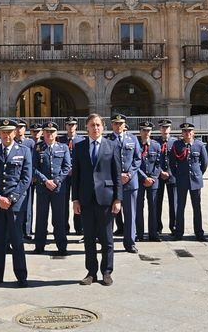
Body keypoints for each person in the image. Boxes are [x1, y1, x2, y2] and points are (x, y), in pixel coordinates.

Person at [72, 114, 122, 286]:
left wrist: (118, 199)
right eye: (92, 125)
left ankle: (107, 271)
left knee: (107, 238)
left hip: (106, 198)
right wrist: (75, 199)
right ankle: (91, 272)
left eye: (98, 125)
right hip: (86, 199)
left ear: (103, 126)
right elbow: (76, 176)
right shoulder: (79, 147)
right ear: (86, 127)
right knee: (89, 238)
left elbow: (117, 174)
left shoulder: (112, 145)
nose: (95, 128)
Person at [0, 119, 32, 287]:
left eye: (9, 132)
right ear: (0, 133)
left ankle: (21, 276)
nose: (6, 135)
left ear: (14, 133)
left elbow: (26, 179)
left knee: (17, 241)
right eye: (3, 132)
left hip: (15, 204)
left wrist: (11, 199)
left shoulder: (24, 151)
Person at [32, 122, 71, 255]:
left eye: (52, 132)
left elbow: (67, 167)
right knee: (41, 218)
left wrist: (56, 180)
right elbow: (33, 167)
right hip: (43, 188)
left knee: (59, 218)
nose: (50, 134)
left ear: (56, 133)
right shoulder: (37, 148)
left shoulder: (63, 147)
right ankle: (39, 245)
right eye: (47, 132)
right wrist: (44, 180)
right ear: (43, 133)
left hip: (58, 188)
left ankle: (61, 246)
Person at [169, 123, 208, 240]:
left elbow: (204, 163)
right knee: (180, 207)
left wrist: (198, 174)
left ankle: (199, 233)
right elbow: (172, 163)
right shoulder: (177, 145)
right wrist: (178, 175)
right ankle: (179, 232)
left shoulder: (199, 145)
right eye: (185, 131)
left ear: (193, 133)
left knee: (197, 207)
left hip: (195, 180)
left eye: (190, 131)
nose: (187, 133)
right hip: (181, 180)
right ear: (182, 133)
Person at [109, 113, 140, 253]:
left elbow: (138, 159)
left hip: (130, 182)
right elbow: (104, 161)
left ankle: (130, 242)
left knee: (130, 214)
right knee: (110, 214)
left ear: (124, 124)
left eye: (121, 123)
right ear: (112, 125)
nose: (118, 125)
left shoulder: (132, 139)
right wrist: (118, 175)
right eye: (116, 123)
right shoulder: (107, 140)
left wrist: (129, 174)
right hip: (113, 183)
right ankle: (108, 243)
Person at [135, 121, 162, 242]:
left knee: (154, 207)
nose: (146, 133)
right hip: (139, 181)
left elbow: (158, 163)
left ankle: (153, 233)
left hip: (153, 181)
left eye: (148, 131)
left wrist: (153, 177)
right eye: (144, 130)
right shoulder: (136, 145)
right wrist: (144, 177)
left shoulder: (156, 145)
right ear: (140, 131)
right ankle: (139, 233)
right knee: (138, 207)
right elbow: (134, 163)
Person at [59, 116, 84, 235]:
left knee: (78, 200)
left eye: (73, 124)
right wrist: (67, 169)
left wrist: (75, 169)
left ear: (76, 126)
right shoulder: (60, 140)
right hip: (64, 175)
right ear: (66, 126)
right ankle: (64, 227)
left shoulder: (81, 140)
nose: (71, 127)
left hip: (77, 175)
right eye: (69, 124)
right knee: (63, 203)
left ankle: (79, 228)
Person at [155, 119, 177, 238]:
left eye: (167, 127)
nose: (165, 130)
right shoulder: (155, 143)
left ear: (170, 129)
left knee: (174, 203)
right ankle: (158, 227)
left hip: (172, 176)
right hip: (158, 176)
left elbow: (178, 160)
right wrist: (160, 172)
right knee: (157, 203)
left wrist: (169, 172)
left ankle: (173, 226)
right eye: (162, 127)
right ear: (160, 129)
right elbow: (152, 161)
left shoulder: (175, 143)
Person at [15, 120, 35, 242]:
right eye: (17, 127)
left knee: (27, 205)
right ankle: (17, 229)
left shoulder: (30, 143)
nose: (19, 129)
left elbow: (33, 160)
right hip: (15, 178)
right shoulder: (12, 142)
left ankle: (27, 231)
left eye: (21, 127)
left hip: (26, 178)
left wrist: (31, 175)